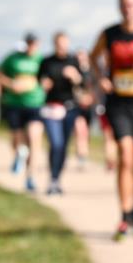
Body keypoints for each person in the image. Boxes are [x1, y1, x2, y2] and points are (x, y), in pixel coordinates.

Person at [91, 0, 133, 239]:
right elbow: (94, 58)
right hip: (119, 102)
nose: (128, 9)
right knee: (125, 157)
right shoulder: (109, 34)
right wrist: (101, 79)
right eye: (124, 5)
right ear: (119, 7)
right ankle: (124, 213)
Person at [0, 34, 45, 192]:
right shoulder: (12, 59)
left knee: (34, 139)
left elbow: (47, 78)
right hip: (15, 104)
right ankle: (19, 155)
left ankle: (31, 176)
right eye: (29, 44)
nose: (32, 47)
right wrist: (11, 84)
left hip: (35, 103)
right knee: (17, 140)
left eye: (34, 44)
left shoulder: (41, 60)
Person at [39, 32, 83, 195]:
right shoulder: (47, 61)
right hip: (51, 107)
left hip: (69, 108)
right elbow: (40, 79)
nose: (62, 46)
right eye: (59, 43)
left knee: (63, 146)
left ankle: (57, 179)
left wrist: (75, 77)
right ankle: (52, 178)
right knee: (55, 143)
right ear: (54, 44)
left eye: (64, 43)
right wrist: (44, 83)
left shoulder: (73, 61)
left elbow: (82, 82)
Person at [73, 48, 98, 170]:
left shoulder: (93, 71)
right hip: (77, 106)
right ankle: (81, 157)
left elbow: (96, 88)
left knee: (86, 132)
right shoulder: (74, 71)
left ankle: (84, 153)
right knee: (79, 130)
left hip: (90, 107)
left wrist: (91, 98)